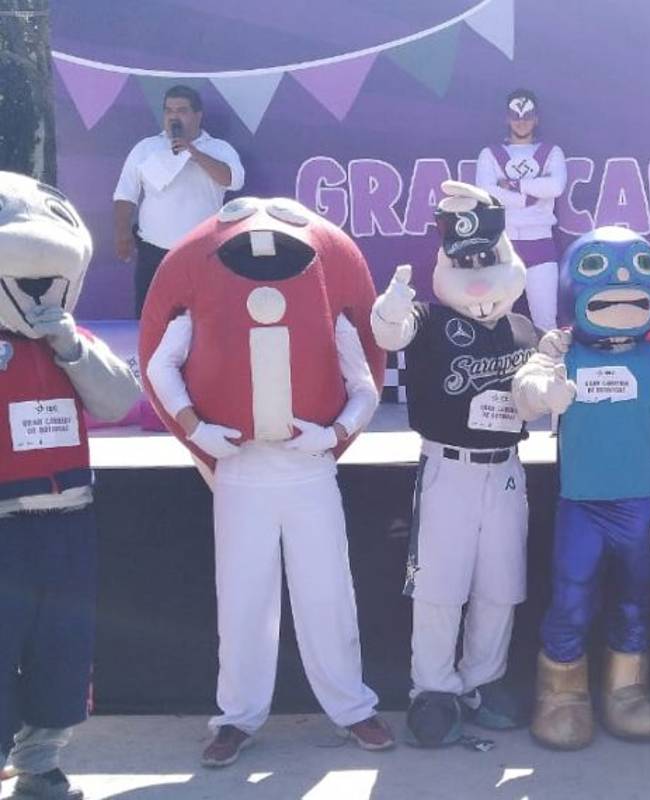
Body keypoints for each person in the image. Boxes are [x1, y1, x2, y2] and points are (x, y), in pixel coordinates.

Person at [139, 196, 393, 767]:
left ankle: (352, 706)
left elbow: (364, 384)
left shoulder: (324, 302)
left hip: (309, 468)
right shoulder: (207, 296)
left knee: (328, 592)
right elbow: (160, 364)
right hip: (242, 468)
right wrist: (196, 429)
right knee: (243, 599)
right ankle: (237, 715)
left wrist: (333, 434)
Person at [513, 226, 650, 751]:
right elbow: (524, 393)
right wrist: (543, 389)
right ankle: (561, 694)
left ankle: (627, 691)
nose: (621, 286)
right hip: (581, 507)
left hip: (641, 507)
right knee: (571, 599)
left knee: (635, 601)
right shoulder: (563, 352)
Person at [371, 182, 538, 747]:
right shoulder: (431, 319)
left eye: (487, 260)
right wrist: (390, 308)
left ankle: (481, 682)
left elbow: (542, 381)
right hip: (449, 468)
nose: (479, 278)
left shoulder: (524, 328)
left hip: (507, 468)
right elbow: (392, 332)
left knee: (501, 584)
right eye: (463, 263)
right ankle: (434, 688)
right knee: (439, 586)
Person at [0, 173, 141, 800]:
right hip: (4, 521)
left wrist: (71, 348)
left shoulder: (71, 338)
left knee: (62, 646)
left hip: (67, 517)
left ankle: (40, 763)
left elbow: (118, 401)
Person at [113, 85, 244, 317]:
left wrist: (194, 152)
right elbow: (125, 194)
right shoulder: (146, 148)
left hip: (204, 252)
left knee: (206, 320)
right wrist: (122, 233)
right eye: (168, 111)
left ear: (198, 115)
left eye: (182, 110)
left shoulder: (219, 148)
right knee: (151, 319)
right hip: (153, 252)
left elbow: (233, 181)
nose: (174, 117)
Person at [474, 88, 566, 332]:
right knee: (498, 321)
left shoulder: (552, 152)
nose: (522, 121)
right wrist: (533, 192)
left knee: (546, 322)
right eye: (516, 115)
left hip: (541, 243)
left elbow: (555, 187)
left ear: (536, 119)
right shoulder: (489, 154)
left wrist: (513, 185)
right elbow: (487, 193)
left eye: (527, 116)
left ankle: (547, 360)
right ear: (507, 118)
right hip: (503, 244)